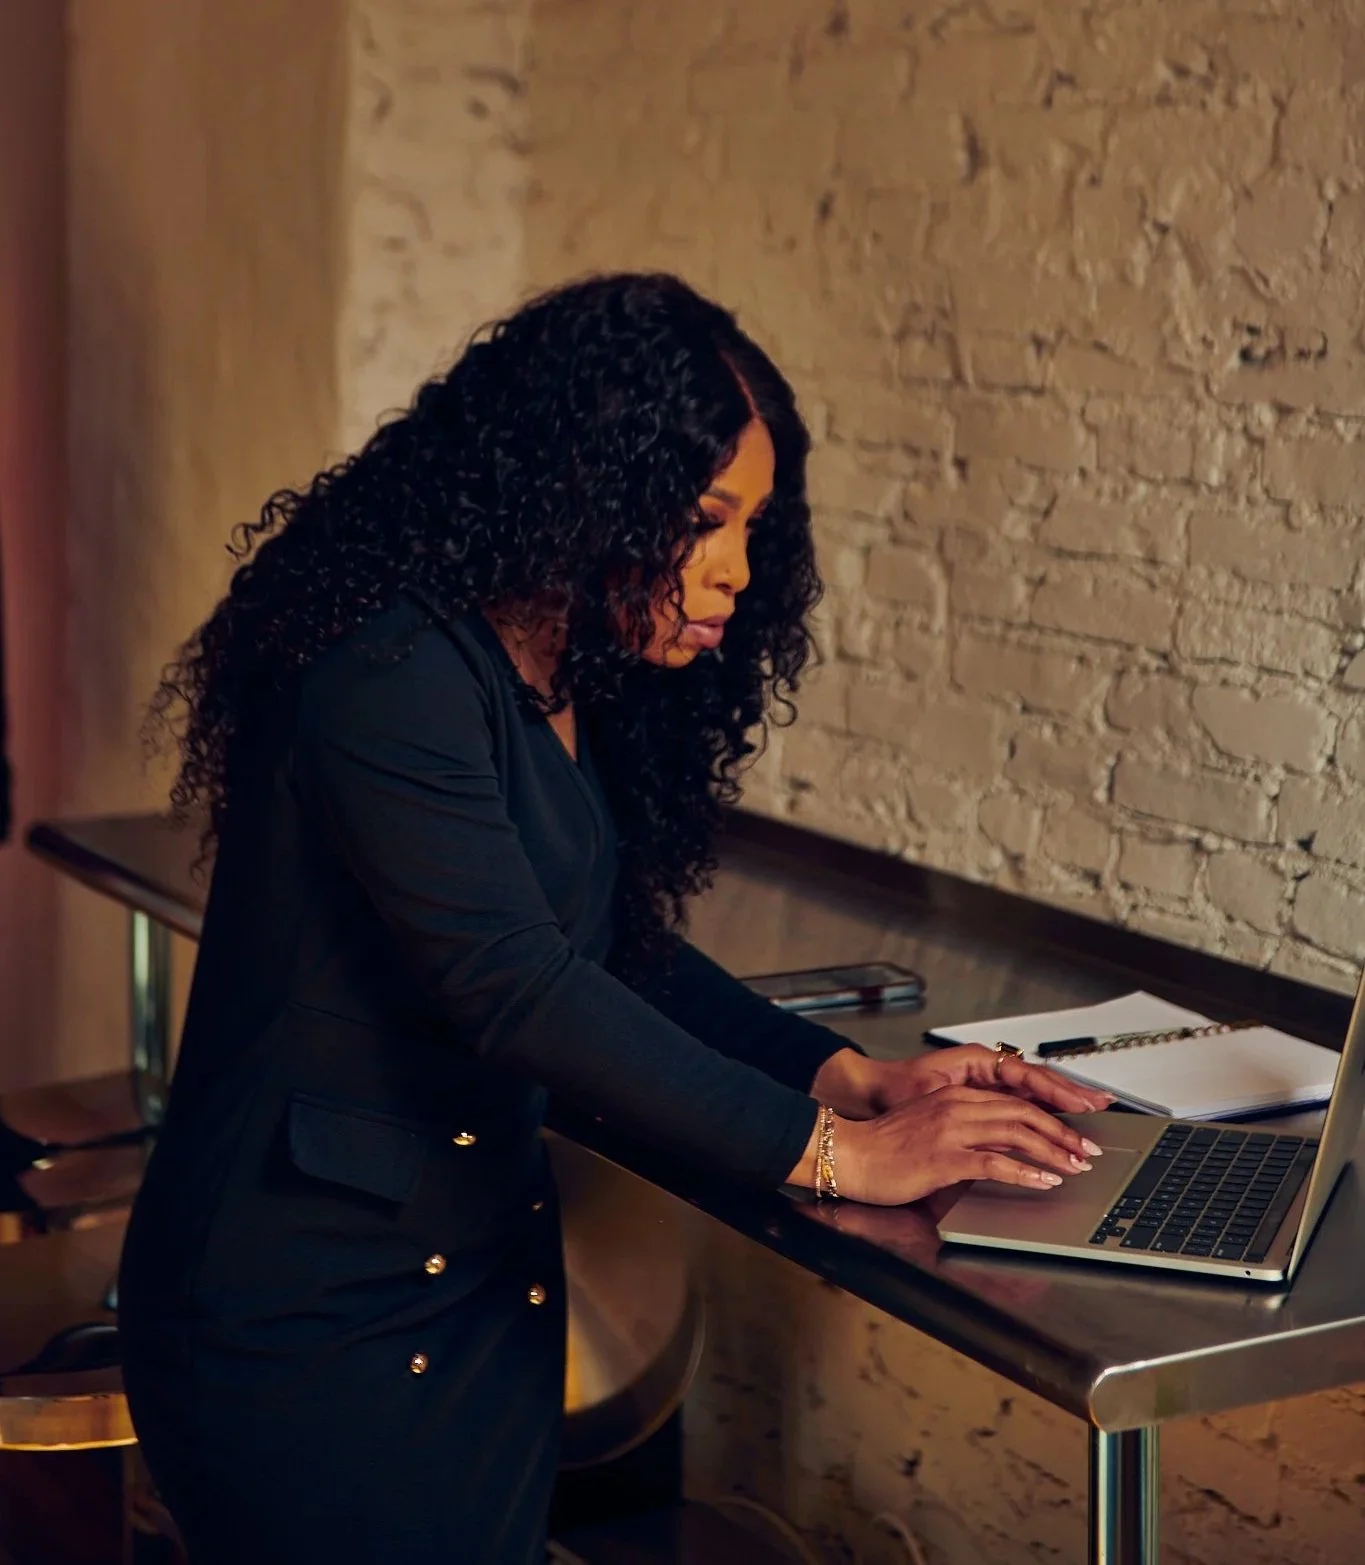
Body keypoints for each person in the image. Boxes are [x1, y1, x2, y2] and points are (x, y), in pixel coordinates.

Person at [118, 273, 1109, 1565]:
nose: (740, 572)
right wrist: (832, 1154)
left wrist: (846, 1075)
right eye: (706, 520)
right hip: (303, 1326)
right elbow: (517, 986)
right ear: (588, 488)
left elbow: (608, 954)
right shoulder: (387, 666)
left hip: (468, 1307)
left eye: (754, 526)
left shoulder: (550, 663)